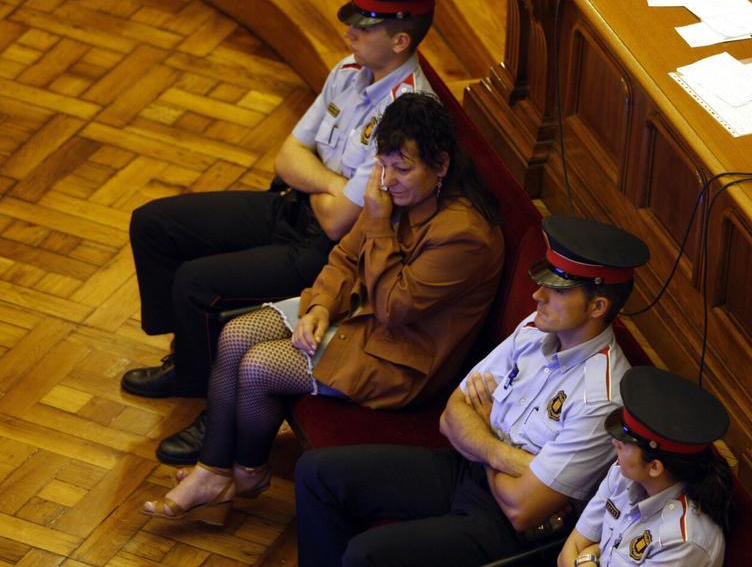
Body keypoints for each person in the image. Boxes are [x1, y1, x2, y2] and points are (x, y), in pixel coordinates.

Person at [122, 0, 449, 465]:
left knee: (195, 283)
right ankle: (187, 364)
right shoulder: (347, 71)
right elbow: (286, 158)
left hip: (324, 248)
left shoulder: (405, 111)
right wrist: (332, 183)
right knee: (154, 224)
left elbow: (339, 222)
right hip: (290, 206)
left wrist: (313, 177)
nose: (349, 34)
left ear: (400, 40)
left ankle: (214, 410)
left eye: (363, 28)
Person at [141, 92, 504, 524]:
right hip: (359, 317)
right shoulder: (399, 195)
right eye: (384, 166)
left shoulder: (465, 235)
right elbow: (345, 257)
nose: (388, 180)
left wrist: (377, 222)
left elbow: (393, 307)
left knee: (259, 366)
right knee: (235, 335)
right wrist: (320, 307)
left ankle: (248, 473)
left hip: (401, 358)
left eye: (403, 169)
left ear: (441, 164)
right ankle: (213, 472)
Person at [292, 215, 651, 567]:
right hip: (467, 468)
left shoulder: (601, 398)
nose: (537, 295)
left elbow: (523, 510)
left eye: (557, 290)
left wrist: (484, 434)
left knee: (366, 554)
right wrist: (504, 454)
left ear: (597, 307)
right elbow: (452, 414)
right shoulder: (535, 328)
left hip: (505, 525)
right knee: (317, 473)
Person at [558, 366, 732, 567]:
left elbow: (575, 554)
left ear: (654, 467)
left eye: (624, 443)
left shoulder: (683, 542)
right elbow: (567, 552)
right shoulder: (623, 474)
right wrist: (589, 556)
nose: (615, 442)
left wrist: (589, 555)